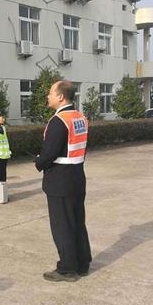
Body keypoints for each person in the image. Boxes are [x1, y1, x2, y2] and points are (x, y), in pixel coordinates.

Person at [35, 80, 91, 282]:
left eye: (50, 93)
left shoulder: (59, 121)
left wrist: (38, 162)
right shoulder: (80, 117)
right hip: (77, 174)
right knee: (77, 222)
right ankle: (82, 263)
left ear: (60, 97)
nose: (48, 96)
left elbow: (49, 153)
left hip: (60, 179)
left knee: (62, 225)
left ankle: (67, 268)